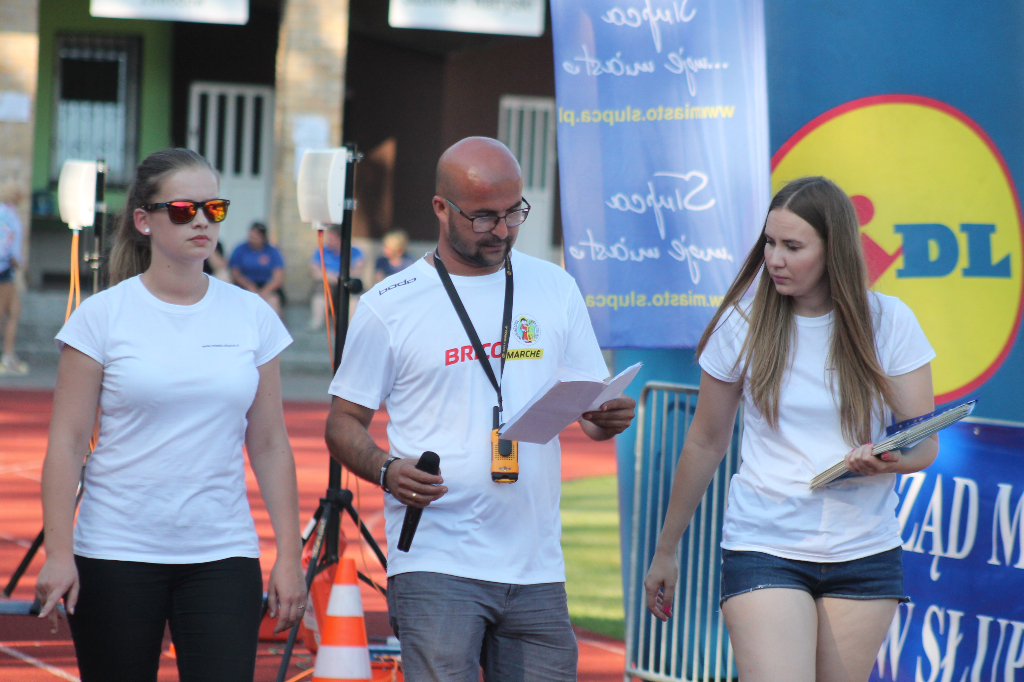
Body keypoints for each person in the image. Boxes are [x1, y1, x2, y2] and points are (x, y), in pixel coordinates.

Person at [325, 137, 636, 681]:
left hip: (536, 563)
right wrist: (385, 470)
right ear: (441, 208)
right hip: (437, 560)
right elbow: (342, 423)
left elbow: (588, 405)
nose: (503, 229)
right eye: (484, 217)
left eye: (514, 212)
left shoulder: (555, 288)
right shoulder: (388, 306)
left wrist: (602, 416)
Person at [643, 176, 938, 682]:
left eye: (792, 246)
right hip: (764, 545)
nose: (774, 259)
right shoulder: (742, 322)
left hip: (865, 551)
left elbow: (923, 444)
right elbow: (705, 440)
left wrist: (886, 459)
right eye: (769, 243)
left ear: (834, 251)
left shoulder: (890, 321)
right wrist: (666, 550)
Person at [35, 148, 306, 682]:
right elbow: (66, 443)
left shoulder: (253, 316)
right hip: (114, 551)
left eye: (214, 208)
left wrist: (291, 556)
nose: (202, 220)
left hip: (222, 553)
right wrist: (58, 553)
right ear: (144, 220)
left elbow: (271, 444)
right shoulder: (102, 317)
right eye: (184, 209)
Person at [308, 225, 363, 329]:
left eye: (331, 239)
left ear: (341, 240)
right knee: (320, 288)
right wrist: (331, 277)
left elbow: (357, 271)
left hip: (346, 283)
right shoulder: (320, 251)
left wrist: (339, 278)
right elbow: (314, 272)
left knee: (355, 291)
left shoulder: (355, 251)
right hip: (328, 282)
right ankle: (317, 322)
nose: (328, 242)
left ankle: (351, 325)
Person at [0, 180, 28, 375]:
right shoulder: (6, 214)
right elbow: (6, 240)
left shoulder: (8, 212)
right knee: (6, 312)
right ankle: (7, 358)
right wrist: (14, 260)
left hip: (7, 267)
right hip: (5, 268)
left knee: (13, 311)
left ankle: (8, 355)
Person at [230, 222, 286, 316]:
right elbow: (235, 274)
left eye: (256, 236)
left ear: (263, 238)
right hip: (245, 285)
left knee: (273, 301)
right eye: (251, 235)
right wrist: (249, 286)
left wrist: (264, 292)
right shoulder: (240, 249)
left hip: (267, 286)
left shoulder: (272, 251)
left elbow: (278, 277)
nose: (252, 239)